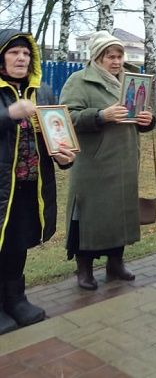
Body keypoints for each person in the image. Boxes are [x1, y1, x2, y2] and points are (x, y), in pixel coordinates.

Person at [60, 31, 155, 290]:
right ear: (96, 58)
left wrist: (148, 121)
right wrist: (101, 115)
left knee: (120, 215)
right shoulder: (79, 81)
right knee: (89, 216)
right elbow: (67, 118)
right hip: (93, 163)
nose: (115, 61)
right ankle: (85, 269)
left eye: (119, 56)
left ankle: (115, 264)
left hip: (124, 160)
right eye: (109, 57)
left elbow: (140, 113)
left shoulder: (130, 80)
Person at [0, 30, 75, 334]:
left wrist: (64, 155)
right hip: (2, 186)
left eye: (26, 54)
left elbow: (54, 133)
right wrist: (9, 114)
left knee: (18, 242)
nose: (21, 58)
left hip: (30, 185)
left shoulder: (41, 92)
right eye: (13, 52)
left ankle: (15, 299)